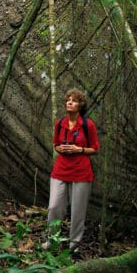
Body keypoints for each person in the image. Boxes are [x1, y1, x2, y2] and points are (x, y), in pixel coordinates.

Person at [46, 88, 99, 255]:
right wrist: (59, 148)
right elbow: (55, 144)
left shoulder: (87, 124)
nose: (70, 102)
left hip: (81, 171)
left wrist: (79, 149)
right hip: (61, 169)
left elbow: (95, 149)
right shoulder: (59, 123)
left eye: (74, 100)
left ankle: (73, 245)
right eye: (68, 99)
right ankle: (52, 241)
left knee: (78, 210)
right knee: (54, 206)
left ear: (80, 105)